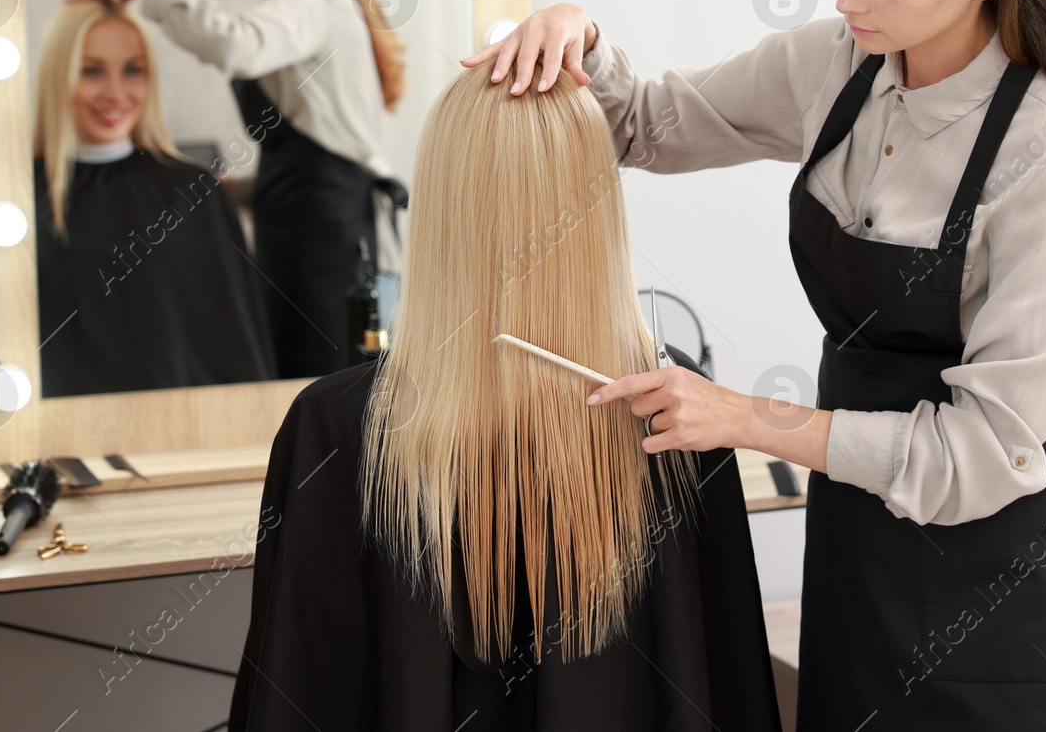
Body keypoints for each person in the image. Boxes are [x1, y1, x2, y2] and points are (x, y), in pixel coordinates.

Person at [466, 0, 1046, 729]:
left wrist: (746, 417)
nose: (848, 0)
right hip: (858, 560)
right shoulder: (834, 65)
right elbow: (645, 124)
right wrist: (575, 30)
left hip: (1003, 599)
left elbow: (979, 454)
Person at [228, 67, 781, 732]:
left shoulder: (334, 424)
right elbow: (724, 681)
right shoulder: (675, 402)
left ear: (439, 202)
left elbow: (299, 690)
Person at [68, 0, 408, 380]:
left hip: (325, 246)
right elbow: (310, 151)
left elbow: (238, 45)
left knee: (319, 387)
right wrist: (237, 192)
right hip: (310, 228)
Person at [32, 0, 277, 396]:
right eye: (91, 70)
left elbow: (238, 350)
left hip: (181, 440)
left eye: (133, 70)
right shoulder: (14, 204)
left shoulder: (196, 194)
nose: (115, 92)